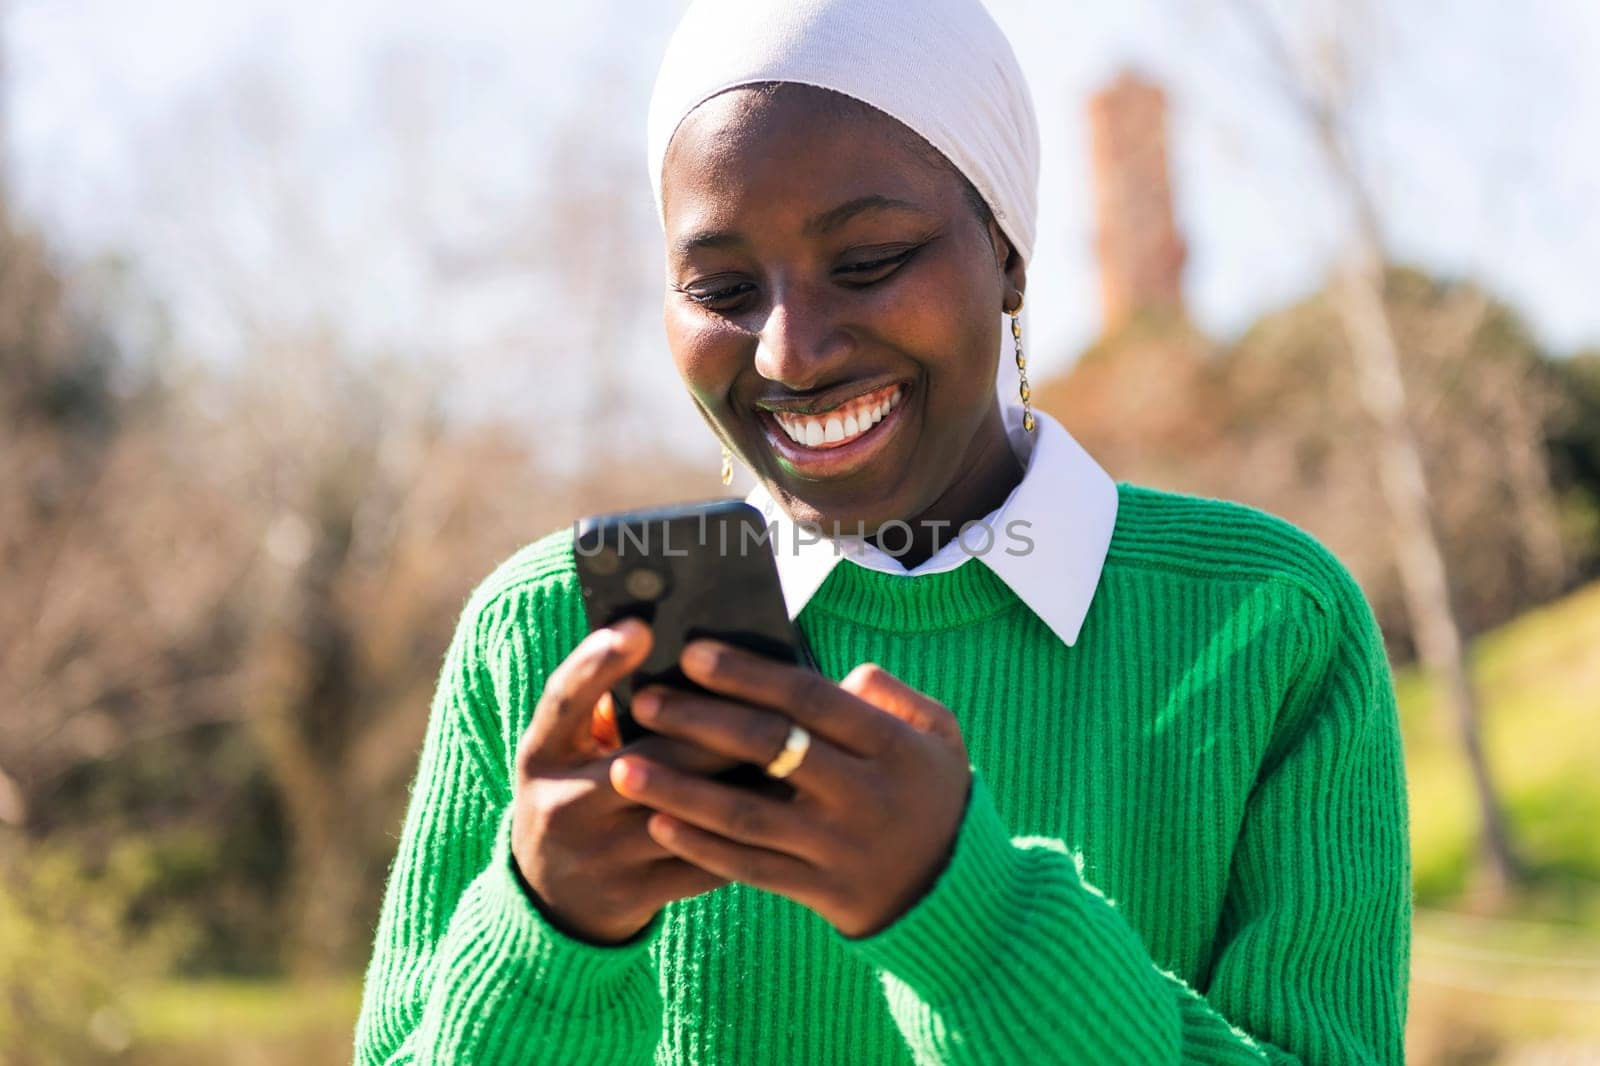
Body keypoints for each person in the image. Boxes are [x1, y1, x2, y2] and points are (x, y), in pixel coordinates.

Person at [353, 1, 1412, 1062]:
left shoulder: (1270, 624)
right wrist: (547, 940)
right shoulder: (545, 636)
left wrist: (968, 921)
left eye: (867, 261)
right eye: (721, 288)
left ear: (1006, 253)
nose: (791, 354)